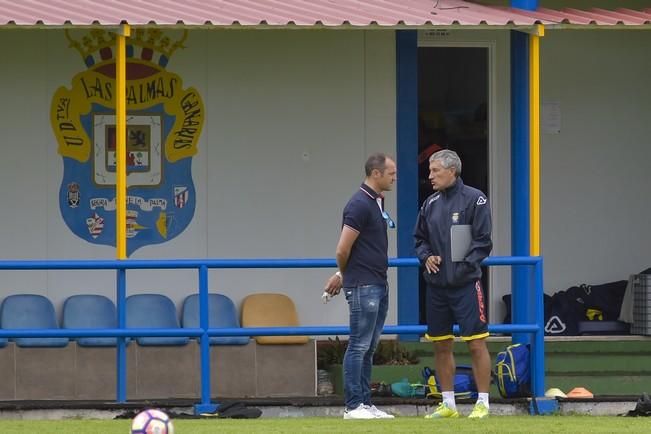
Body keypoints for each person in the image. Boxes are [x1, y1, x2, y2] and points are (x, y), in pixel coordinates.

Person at [414, 149, 492, 419]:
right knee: (441, 344)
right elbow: (419, 239)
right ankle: (448, 405)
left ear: (452, 171)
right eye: (430, 171)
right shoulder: (430, 203)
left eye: (435, 171)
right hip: (436, 287)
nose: (430, 176)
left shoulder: (476, 199)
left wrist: (462, 268)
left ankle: (483, 403)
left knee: (476, 343)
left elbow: (483, 241)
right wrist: (427, 257)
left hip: (466, 285)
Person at [323, 152, 397, 420]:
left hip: (377, 282)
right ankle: (353, 405)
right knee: (359, 345)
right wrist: (344, 275)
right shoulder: (359, 204)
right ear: (375, 173)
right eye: (391, 173)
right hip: (363, 285)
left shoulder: (376, 201)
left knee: (369, 346)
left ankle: (365, 403)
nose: (394, 177)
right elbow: (343, 249)